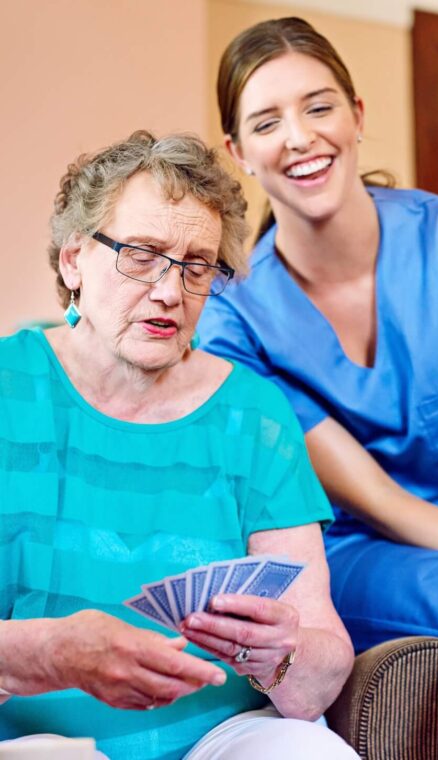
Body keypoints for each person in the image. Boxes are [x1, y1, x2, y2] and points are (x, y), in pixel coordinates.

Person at [197, 16, 438, 759]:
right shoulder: (236, 318)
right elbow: (382, 500)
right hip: (369, 546)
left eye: (319, 106)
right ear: (238, 152)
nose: (300, 136)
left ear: (357, 116)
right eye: (267, 121)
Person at [0, 130, 360, 760]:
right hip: (31, 738)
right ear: (72, 261)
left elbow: (320, 673)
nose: (171, 291)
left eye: (198, 266)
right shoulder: (10, 385)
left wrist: (284, 652)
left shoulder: (255, 414)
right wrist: (49, 652)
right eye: (141, 254)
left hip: (219, 737)